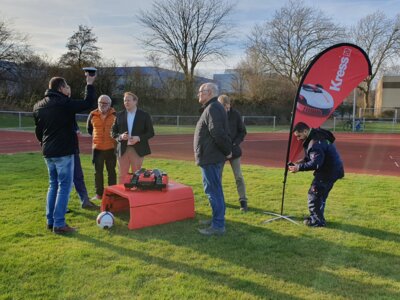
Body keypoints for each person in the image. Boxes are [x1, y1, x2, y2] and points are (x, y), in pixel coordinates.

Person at [33, 73, 96, 234]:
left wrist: (45, 144)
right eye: (67, 86)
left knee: (53, 185)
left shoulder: (38, 106)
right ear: (61, 88)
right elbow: (88, 102)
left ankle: (50, 220)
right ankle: (59, 224)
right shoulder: (64, 103)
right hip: (64, 151)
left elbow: (39, 132)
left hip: (48, 152)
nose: (69, 89)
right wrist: (89, 83)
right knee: (64, 186)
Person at [288, 122, 344, 227]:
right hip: (333, 170)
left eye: (299, 136)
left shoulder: (314, 142)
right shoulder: (317, 135)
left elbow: (316, 163)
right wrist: (301, 162)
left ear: (305, 131)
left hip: (327, 172)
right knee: (321, 195)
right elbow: (312, 157)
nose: (298, 139)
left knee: (314, 195)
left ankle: (317, 221)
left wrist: (298, 168)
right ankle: (317, 217)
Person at [194, 83, 232, 236]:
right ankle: (217, 219)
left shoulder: (213, 108)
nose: (198, 94)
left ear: (209, 92)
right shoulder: (213, 107)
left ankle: (218, 225)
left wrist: (227, 150)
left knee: (213, 191)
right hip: (210, 156)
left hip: (210, 157)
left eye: (200, 92)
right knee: (215, 190)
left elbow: (217, 132)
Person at [111, 92, 154, 183]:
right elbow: (113, 132)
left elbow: (151, 133)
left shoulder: (144, 115)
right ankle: (122, 196)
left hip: (137, 149)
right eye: (125, 100)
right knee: (122, 175)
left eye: (128, 100)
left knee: (137, 175)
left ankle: (136, 196)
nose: (126, 102)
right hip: (122, 149)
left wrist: (138, 138)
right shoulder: (119, 115)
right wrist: (121, 136)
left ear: (135, 101)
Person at [218, 94, 248, 212]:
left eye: (227, 105)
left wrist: (235, 143)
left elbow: (242, 131)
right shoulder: (216, 115)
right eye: (223, 106)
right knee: (217, 177)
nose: (226, 108)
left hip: (234, 151)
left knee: (238, 176)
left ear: (229, 104)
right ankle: (219, 201)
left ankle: (243, 201)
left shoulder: (235, 115)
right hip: (220, 151)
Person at [87, 95, 117, 200]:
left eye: (105, 103)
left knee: (111, 172)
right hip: (97, 149)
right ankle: (99, 194)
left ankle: (112, 194)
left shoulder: (115, 115)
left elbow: (118, 130)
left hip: (111, 148)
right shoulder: (92, 114)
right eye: (100, 102)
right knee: (98, 173)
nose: (102, 105)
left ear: (110, 104)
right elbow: (89, 129)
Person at [71, 121, 98, 210]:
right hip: (64, 151)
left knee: (78, 176)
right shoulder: (61, 112)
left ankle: (85, 201)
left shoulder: (69, 113)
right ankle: (60, 207)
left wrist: (77, 130)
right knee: (63, 181)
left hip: (72, 150)